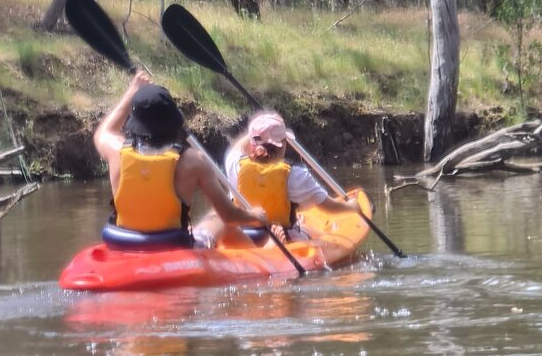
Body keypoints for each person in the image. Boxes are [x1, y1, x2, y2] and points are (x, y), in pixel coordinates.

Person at [93, 71, 266, 249]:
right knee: (217, 218)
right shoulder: (193, 161)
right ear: (174, 122)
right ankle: (260, 262)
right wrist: (255, 215)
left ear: (134, 122)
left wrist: (132, 92)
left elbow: (104, 131)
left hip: (124, 243)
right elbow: (229, 216)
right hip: (173, 247)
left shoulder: (115, 150)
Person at [225, 110, 359, 245]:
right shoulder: (295, 175)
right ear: (283, 144)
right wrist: (352, 207)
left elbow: (237, 148)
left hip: (244, 233)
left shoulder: (235, 164)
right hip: (282, 234)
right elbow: (328, 206)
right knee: (308, 231)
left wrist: (256, 133)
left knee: (305, 226)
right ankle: (279, 245)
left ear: (253, 143)